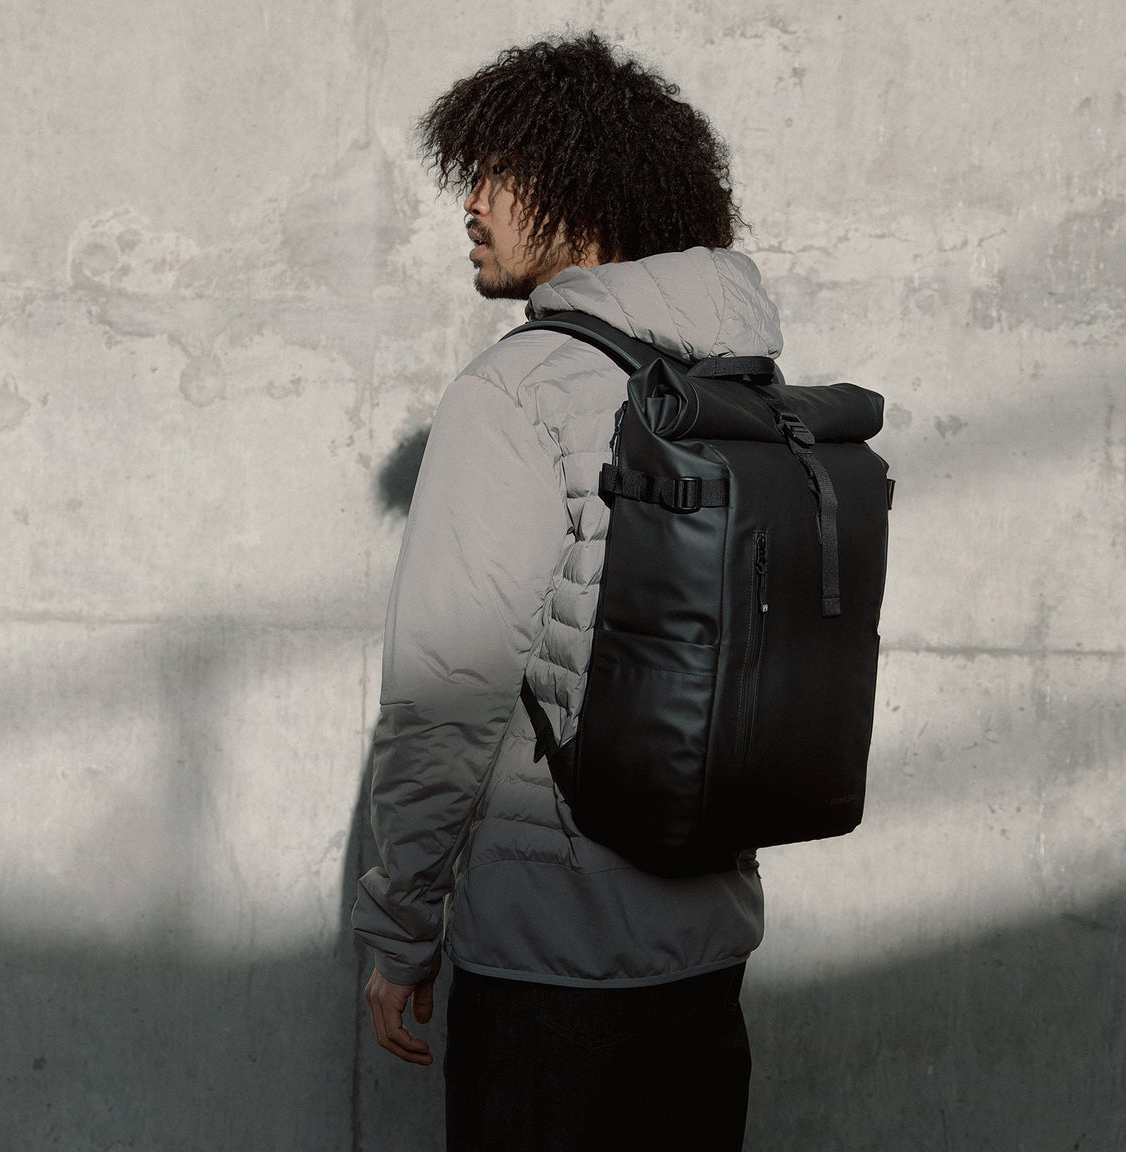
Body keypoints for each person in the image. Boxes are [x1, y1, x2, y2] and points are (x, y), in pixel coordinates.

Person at [351, 33, 783, 1151]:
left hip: (550, 961)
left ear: (581, 192)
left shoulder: (516, 391)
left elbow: (448, 689)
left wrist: (400, 934)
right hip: (705, 949)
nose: (470, 203)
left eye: (499, 173)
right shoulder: (740, 385)